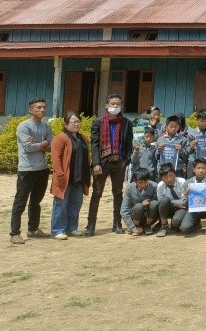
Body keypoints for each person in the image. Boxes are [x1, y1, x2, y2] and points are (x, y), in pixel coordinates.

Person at [86, 93, 134, 236]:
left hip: (119, 163)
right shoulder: (98, 122)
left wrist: (126, 160)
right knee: (97, 193)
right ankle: (90, 225)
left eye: (118, 104)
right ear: (106, 105)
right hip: (102, 163)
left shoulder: (126, 123)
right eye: (112, 104)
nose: (115, 107)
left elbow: (128, 144)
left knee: (118, 193)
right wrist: (96, 163)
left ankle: (117, 224)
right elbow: (94, 144)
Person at [10, 97, 53, 244]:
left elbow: (50, 147)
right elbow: (28, 148)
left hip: (42, 169)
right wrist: (43, 144)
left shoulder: (46, 127)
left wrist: (39, 144)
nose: (42, 110)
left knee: (36, 201)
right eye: (38, 107)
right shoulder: (24, 126)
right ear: (30, 110)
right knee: (20, 201)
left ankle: (33, 229)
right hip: (27, 170)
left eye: (44, 107)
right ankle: (14, 233)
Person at [50, 111, 91, 240]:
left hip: (79, 177)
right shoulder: (60, 138)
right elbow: (55, 158)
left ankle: (72, 228)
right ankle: (57, 230)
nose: (76, 124)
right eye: (73, 122)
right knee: (61, 205)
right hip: (65, 177)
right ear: (66, 124)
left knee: (75, 204)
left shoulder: (83, 138)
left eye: (78, 121)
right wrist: (60, 174)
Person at [120, 168, 159, 236]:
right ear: (135, 181)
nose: (143, 184)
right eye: (140, 182)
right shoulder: (130, 188)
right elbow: (124, 209)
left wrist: (150, 201)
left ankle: (147, 226)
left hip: (150, 216)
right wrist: (132, 227)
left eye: (145, 182)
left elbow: (160, 203)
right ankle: (136, 226)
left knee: (155, 203)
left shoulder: (155, 186)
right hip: (135, 216)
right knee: (138, 206)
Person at [155, 163, 189, 237]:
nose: (169, 179)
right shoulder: (160, 186)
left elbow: (184, 200)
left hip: (181, 208)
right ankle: (164, 226)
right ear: (161, 178)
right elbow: (161, 202)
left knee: (176, 221)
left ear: (175, 174)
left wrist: (174, 203)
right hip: (169, 207)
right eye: (165, 177)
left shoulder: (182, 182)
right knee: (164, 201)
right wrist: (174, 204)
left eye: (171, 175)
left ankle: (175, 226)